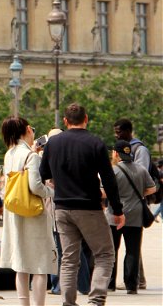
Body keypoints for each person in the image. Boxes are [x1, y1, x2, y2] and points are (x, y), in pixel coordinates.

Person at [40, 102, 123, 306]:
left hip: (62, 207)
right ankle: (95, 300)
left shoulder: (53, 143)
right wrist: (118, 210)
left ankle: (68, 302)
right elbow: (109, 179)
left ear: (66, 121)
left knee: (69, 259)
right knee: (104, 253)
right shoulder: (95, 143)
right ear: (86, 119)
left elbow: (43, 174)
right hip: (89, 207)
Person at [0, 117, 56, 306]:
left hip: (15, 211)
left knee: (21, 264)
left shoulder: (10, 154)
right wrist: (51, 191)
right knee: (40, 264)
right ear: (27, 130)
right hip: (34, 213)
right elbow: (36, 187)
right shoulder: (32, 156)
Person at [105, 140, 154, 295]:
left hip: (115, 215)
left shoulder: (113, 171)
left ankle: (110, 283)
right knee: (132, 250)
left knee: (112, 249)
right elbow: (152, 188)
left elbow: (104, 193)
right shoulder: (141, 169)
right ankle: (131, 285)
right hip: (136, 215)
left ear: (115, 153)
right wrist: (139, 194)